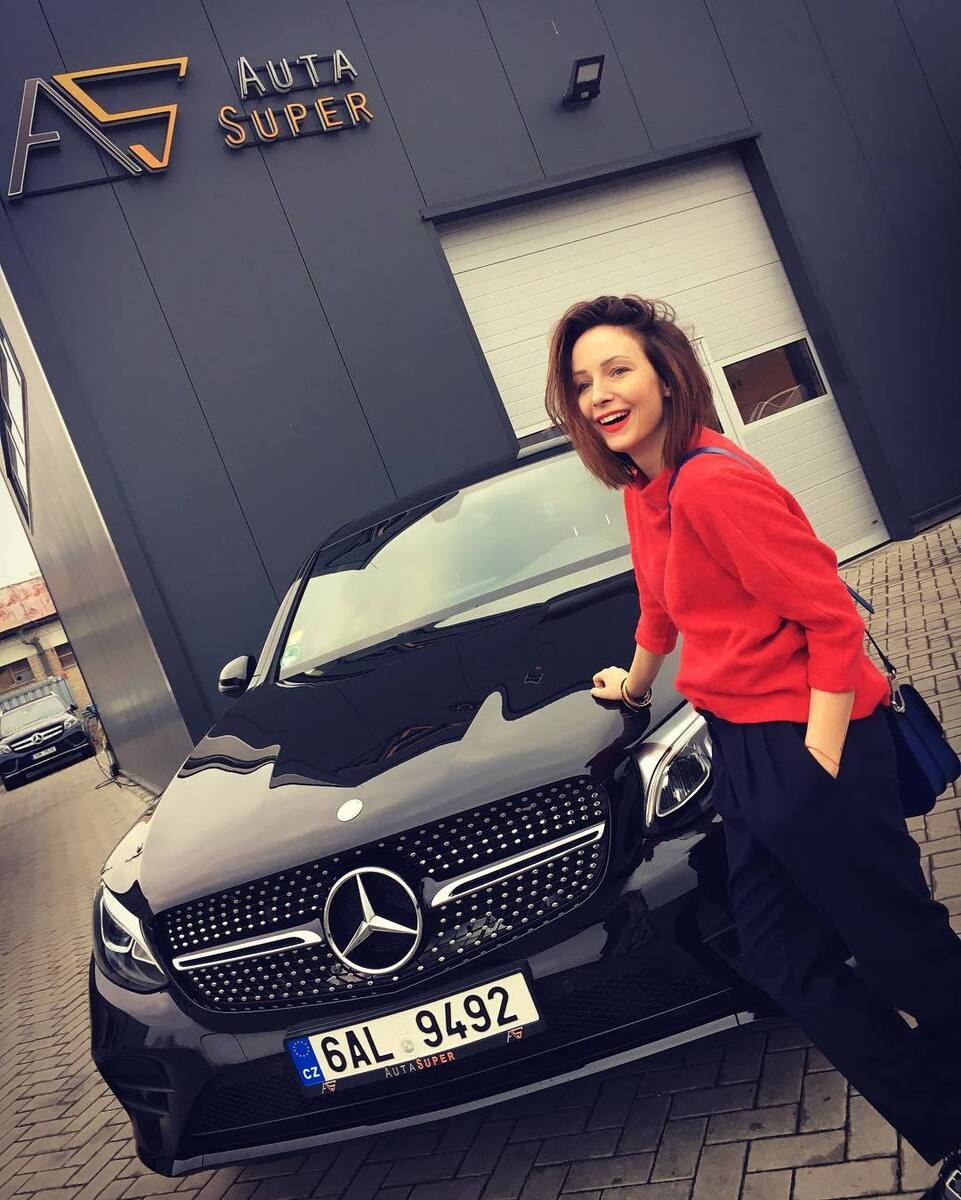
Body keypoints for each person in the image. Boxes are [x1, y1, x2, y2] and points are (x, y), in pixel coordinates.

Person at [544, 294, 961, 1197]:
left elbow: (829, 615)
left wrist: (817, 758)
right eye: (579, 383)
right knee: (783, 960)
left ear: (664, 375)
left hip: (809, 743)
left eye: (616, 370)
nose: (598, 394)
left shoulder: (711, 483)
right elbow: (660, 606)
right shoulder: (647, 488)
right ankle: (947, 1128)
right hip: (742, 749)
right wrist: (636, 684)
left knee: (898, 947)